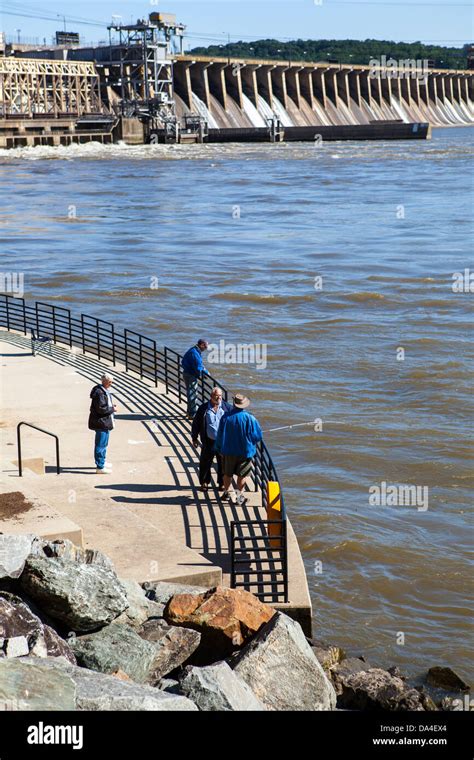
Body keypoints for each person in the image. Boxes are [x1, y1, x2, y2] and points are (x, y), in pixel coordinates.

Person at [215, 393, 263, 505]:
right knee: (242, 475)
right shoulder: (250, 418)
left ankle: (226, 493)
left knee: (227, 474)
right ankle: (239, 496)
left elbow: (220, 435)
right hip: (245, 451)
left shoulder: (225, 417)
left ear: (234, 404)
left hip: (228, 451)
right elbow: (257, 436)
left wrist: (218, 448)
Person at [192, 387, 232, 491]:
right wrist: (194, 438)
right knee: (205, 462)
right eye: (216, 395)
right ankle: (204, 482)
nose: (219, 398)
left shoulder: (227, 408)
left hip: (223, 442)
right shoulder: (204, 408)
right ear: (211, 396)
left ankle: (222, 483)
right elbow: (196, 423)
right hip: (208, 441)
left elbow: (233, 423)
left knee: (223, 463)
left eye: (220, 395)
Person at [88, 373, 117, 475]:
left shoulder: (102, 391)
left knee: (103, 444)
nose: (111, 384)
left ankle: (102, 462)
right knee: (101, 445)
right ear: (104, 382)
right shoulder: (100, 393)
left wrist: (110, 406)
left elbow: (102, 406)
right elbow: (101, 409)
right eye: (110, 382)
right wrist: (112, 409)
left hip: (103, 422)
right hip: (101, 422)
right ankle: (100, 466)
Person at [181, 339, 209, 420]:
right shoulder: (195, 353)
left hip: (186, 373)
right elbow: (198, 367)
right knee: (193, 394)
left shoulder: (193, 350)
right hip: (191, 375)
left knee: (190, 393)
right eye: (206, 346)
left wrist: (203, 371)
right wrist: (205, 373)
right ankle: (192, 414)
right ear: (201, 345)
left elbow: (184, 361)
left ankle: (189, 411)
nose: (206, 348)